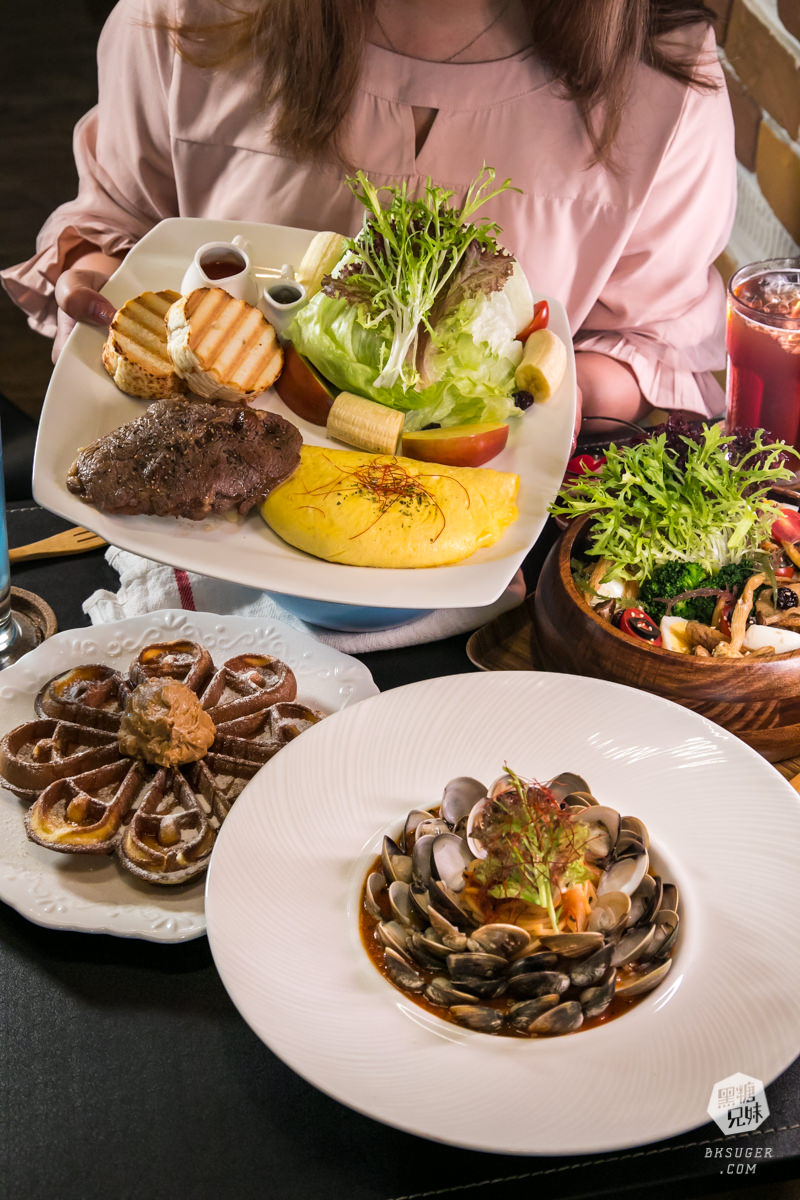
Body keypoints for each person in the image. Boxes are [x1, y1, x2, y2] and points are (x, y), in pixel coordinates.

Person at [1, 0, 736, 431]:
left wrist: (548, 406)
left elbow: (650, 340)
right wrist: (95, 277)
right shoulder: (180, 18)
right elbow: (119, 226)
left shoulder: (664, 79)